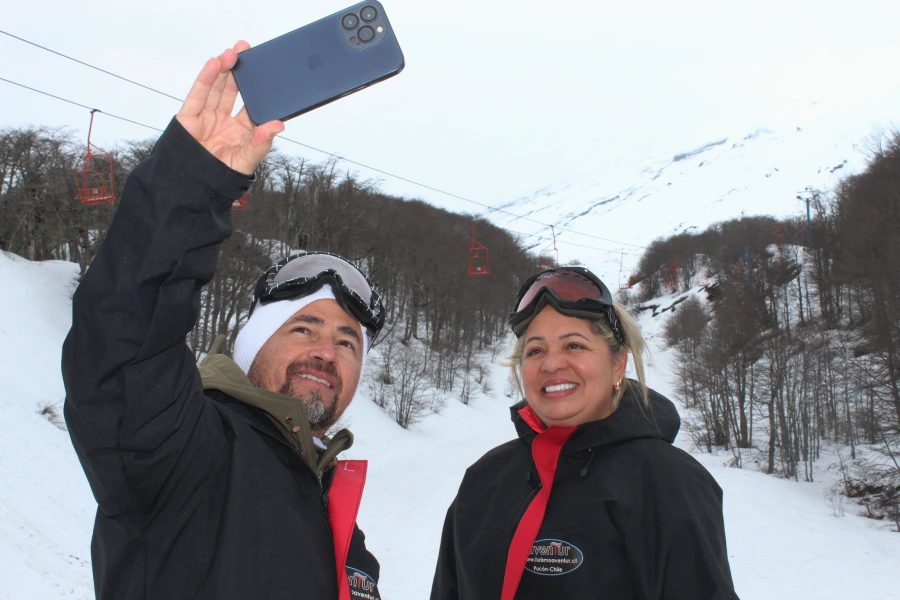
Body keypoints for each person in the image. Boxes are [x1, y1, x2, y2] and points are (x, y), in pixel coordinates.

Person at [62, 42, 384, 600]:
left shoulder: (334, 512)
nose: (326, 353)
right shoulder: (183, 446)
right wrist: (195, 179)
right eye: (303, 328)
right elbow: (122, 335)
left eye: (347, 343)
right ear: (251, 342)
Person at [430, 267, 739, 599]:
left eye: (574, 345)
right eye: (535, 351)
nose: (551, 364)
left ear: (617, 364)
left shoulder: (668, 481)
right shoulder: (484, 480)